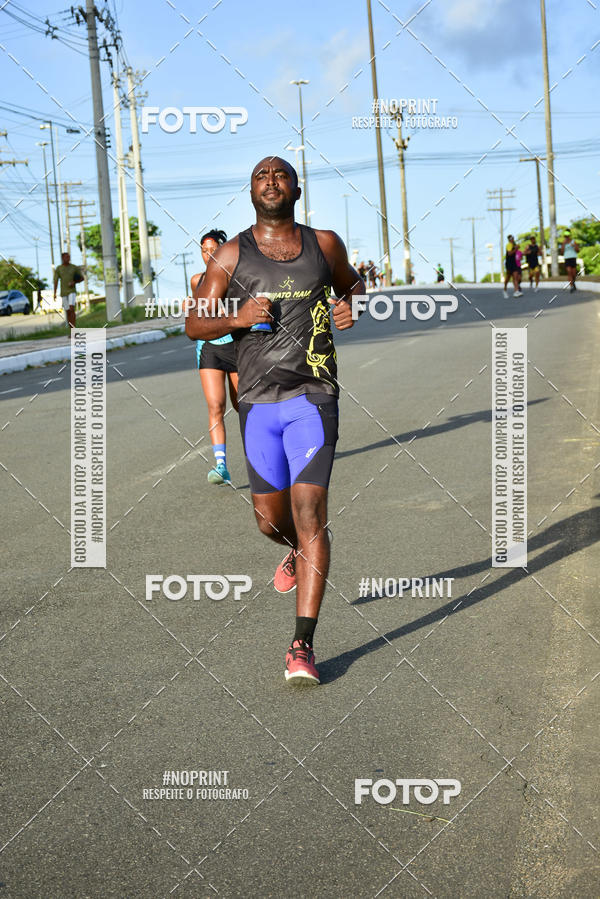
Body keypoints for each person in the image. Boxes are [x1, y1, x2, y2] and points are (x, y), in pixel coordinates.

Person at [185, 155, 364, 685]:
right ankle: (292, 550)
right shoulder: (231, 255)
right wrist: (236, 318)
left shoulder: (324, 244)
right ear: (251, 192)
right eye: (261, 176)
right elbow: (195, 321)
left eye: (280, 174)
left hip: (314, 396)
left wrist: (348, 308)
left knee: (311, 512)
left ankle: (301, 645)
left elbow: (351, 286)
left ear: (296, 188)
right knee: (270, 519)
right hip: (259, 402)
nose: (271, 180)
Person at [190, 230, 238, 485]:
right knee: (216, 406)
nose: (207, 253)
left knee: (245, 407)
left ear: (222, 249)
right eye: (203, 249)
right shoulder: (197, 280)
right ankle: (221, 466)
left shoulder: (236, 279)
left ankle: (262, 457)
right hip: (209, 348)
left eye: (212, 248)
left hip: (236, 347)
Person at [53, 252, 83, 331]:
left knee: (71, 309)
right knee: (68, 311)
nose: (68, 258)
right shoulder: (59, 268)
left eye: (69, 257)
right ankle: (71, 330)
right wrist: (54, 293)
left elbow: (81, 278)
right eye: (66, 257)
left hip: (71, 291)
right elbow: (56, 281)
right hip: (63, 293)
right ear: (62, 258)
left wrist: (74, 282)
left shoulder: (74, 267)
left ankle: (74, 329)